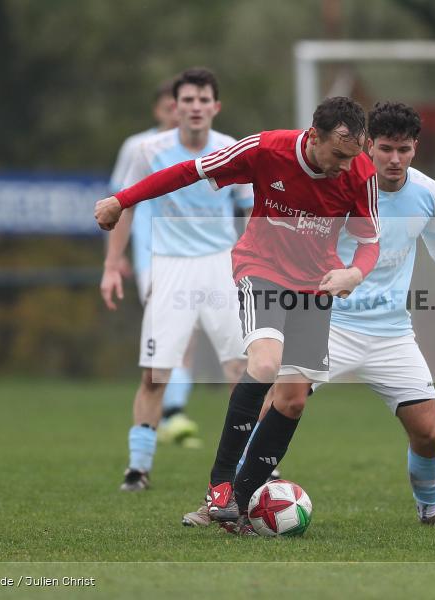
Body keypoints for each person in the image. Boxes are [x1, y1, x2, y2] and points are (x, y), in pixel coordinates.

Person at [96, 96, 380, 533]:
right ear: (314, 135)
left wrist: (354, 274)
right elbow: (189, 172)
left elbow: (369, 239)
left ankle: (236, 507)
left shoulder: (360, 171)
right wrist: (122, 199)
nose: (345, 165)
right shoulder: (266, 150)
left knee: (293, 399)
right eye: (338, 155)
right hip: (261, 270)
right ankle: (219, 487)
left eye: (353, 156)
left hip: (317, 284)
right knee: (263, 364)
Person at [317, 101, 435, 525]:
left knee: (429, 433)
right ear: (367, 147)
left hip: (391, 333)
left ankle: (430, 514)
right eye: (384, 149)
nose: (394, 159)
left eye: (404, 149)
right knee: (278, 406)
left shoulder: (428, 193)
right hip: (329, 324)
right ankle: (230, 500)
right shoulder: (341, 186)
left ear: (415, 147)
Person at [100, 67, 251, 492]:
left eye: (204, 100)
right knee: (155, 374)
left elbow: (252, 208)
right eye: (188, 100)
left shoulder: (232, 149)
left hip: (222, 266)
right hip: (169, 266)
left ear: (215, 107)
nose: (196, 107)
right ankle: (138, 468)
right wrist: (113, 265)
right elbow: (124, 206)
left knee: (242, 370)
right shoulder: (148, 150)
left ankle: (254, 464)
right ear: (175, 107)